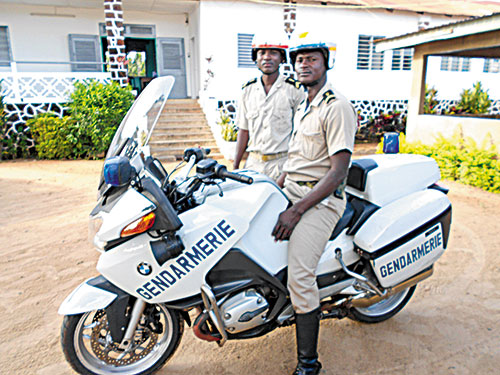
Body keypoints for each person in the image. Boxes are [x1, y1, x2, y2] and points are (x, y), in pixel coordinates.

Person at [272, 33, 357, 375]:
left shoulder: (336, 106)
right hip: (293, 189)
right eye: (299, 59)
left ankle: (308, 362)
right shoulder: (306, 104)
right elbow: (297, 160)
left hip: (321, 202)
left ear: (325, 63)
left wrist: (296, 209)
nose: (304, 65)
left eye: (312, 59)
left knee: (301, 275)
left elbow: (337, 173)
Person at [233, 34, 305, 181]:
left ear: (282, 58)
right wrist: (235, 167)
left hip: (282, 165)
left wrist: (288, 170)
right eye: (262, 53)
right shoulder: (248, 90)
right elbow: (244, 130)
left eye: (273, 52)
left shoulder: (294, 90)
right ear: (255, 58)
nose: (267, 57)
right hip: (253, 164)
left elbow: (301, 135)